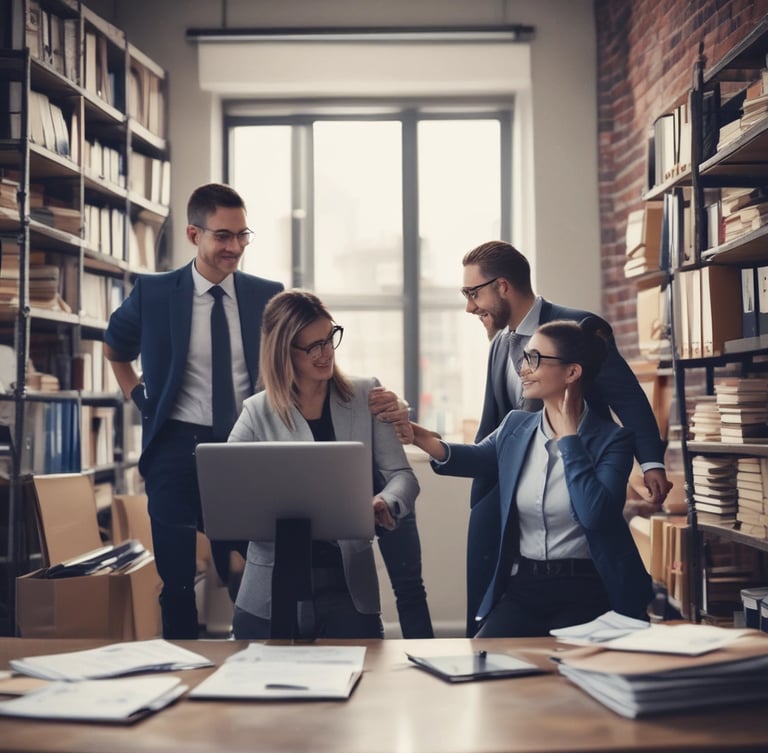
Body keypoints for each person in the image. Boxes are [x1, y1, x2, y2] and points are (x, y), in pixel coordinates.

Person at [371, 239, 671, 635]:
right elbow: (493, 428)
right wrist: (423, 439)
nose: (469, 307)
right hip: (504, 492)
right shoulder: (500, 344)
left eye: (473, 293)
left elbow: (627, 397)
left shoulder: (579, 330)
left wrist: (650, 461)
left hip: (579, 482)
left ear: (503, 286)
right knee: (485, 625)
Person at [104, 182, 284, 639]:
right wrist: (139, 397)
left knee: (252, 566)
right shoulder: (154, 293)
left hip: (244, 444)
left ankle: (260, 657)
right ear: (193, 234)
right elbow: (115, 347)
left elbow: (291, 362)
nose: (235, 247)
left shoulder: (268, 295)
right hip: (175, 446)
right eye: (223, 236)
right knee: (178, 578)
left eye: (242, 235)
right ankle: (182, 667)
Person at [400, 318, 653, 637]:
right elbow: (478, 458)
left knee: (564, 667)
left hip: (588, 588)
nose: (523, 369)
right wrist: (417, 435)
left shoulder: (613, 440)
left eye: (534, 359)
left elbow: (594, 515)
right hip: (525, 585)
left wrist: (570, 440)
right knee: (483, 656)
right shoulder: (515, 426)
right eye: (524, 358)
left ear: (572, 372)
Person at [229, 289, 423, 640]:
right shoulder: (257, 411)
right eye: (313, 346)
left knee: (362, 673)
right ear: (284, 351)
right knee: (259, 674)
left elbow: (403, 477)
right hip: (271, 584)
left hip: (347, 585)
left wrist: (385, 500)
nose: (326, 352)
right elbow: (227, 485)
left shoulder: (366, 395)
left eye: (330, 338)